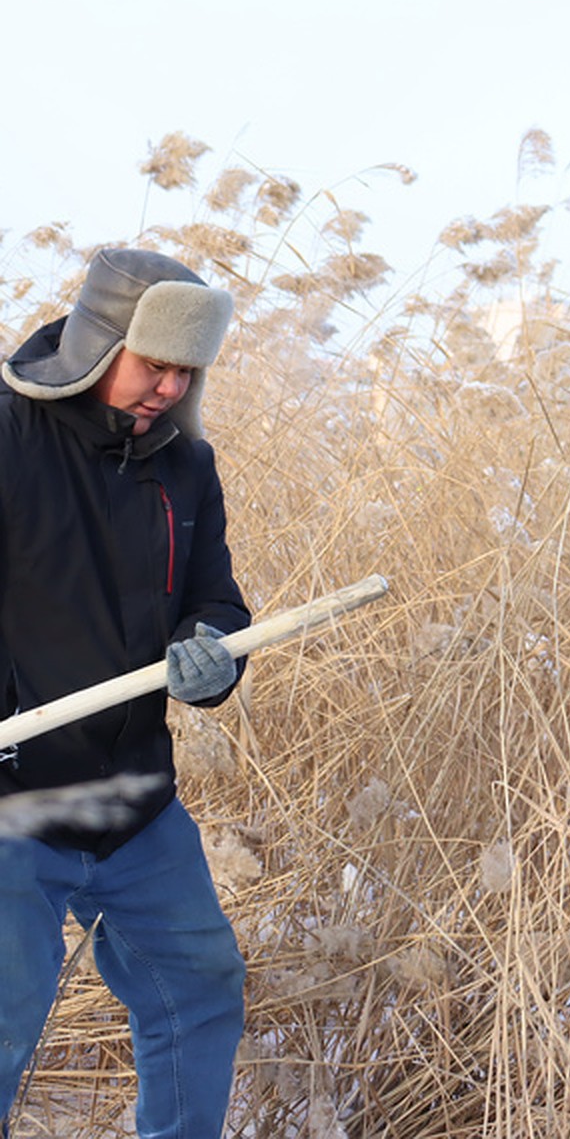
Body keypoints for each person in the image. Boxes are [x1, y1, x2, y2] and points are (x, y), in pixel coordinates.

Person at [0, 247, 252, 1137]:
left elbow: (215, 597)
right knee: (3, 1018)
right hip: (13, 801)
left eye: (188, 370)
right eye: (155, 364)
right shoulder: (8, 438)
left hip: (137, 797)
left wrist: (210, 647)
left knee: (201, 987)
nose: (169, 387)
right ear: (100, 343)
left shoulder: (186, 466)